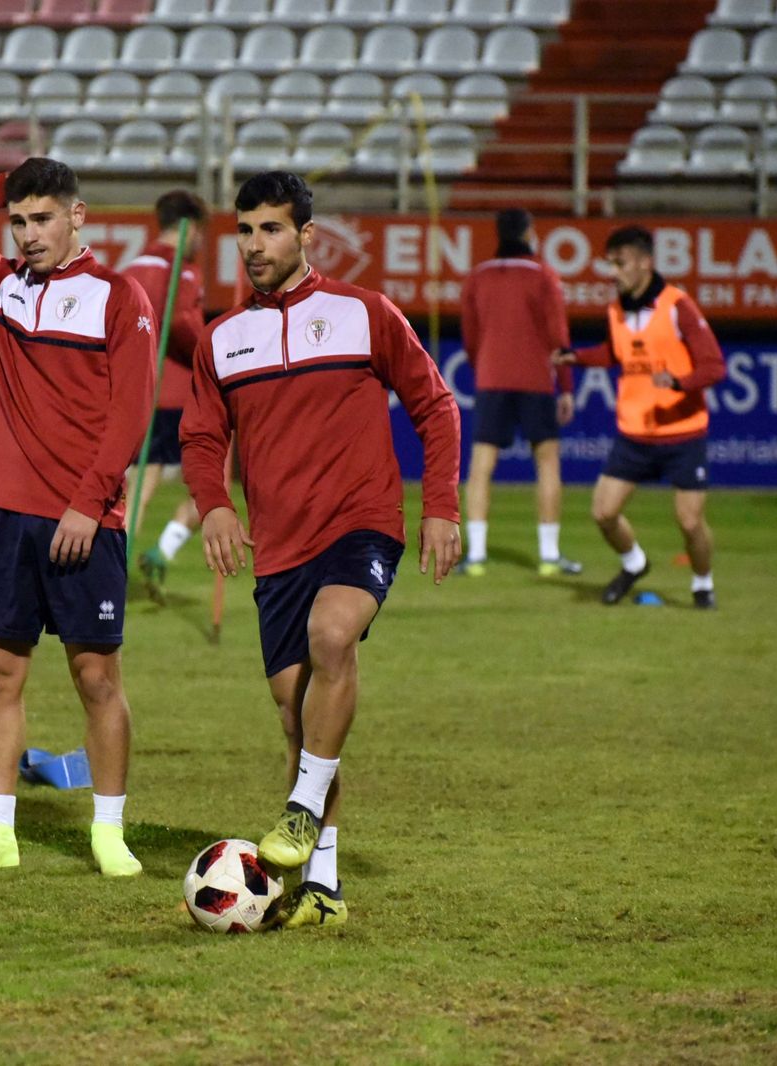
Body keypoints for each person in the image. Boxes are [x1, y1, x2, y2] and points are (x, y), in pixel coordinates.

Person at [181, 172, 462, 928]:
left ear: (306, 236)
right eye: (244, 232)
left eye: (270, 230)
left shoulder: (363, 314)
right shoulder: (222, 339)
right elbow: (203, 436)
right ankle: (325, 886)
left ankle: (301, 807)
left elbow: (435, 406)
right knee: (300, 723)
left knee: (333, 634)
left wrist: (440, 507)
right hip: (278, 548)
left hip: (361, 521)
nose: (254, 246)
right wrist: (213, 505)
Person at [0, 158, 155, 878]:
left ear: (78, 216)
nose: (27, 234)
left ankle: (108, 831)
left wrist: (89, 502)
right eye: (17, 221)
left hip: (84, 519)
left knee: (97, 680)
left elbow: (132, 412)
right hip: (6, 517)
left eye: (43, 217)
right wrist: (3, 186)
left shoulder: (118, 296)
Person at [554, 225, 726, 609]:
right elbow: (616, 354)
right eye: (611, 264)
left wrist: (680, 383)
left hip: (682, 431)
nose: (614, 272)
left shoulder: (678, 305)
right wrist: (577, 357)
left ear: (646, 263)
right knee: (603, 512)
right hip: (634, 433)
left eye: (622, 263)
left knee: (689, 522)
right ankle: (635, 563)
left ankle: (702, 584)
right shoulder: (616, 310)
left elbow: (714, 366)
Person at [456, 207, 580, 578]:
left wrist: (485, 369)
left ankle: (475, 556)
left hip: (492, 381)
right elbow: (558, 335)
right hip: (535, 382)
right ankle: (549, 555)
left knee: (480, 467)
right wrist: (567, 387)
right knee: (547, 463)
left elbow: (470, 336)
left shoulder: (477, 276)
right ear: (528, 234)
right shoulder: (544, 275)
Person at [121, 190, 208, 603]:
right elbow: (181, 322)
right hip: (180, 393)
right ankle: (163, 549)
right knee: (208, 487)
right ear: (190, 227)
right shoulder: (183, 271)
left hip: (139, 393)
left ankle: (112, 559)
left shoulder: (134, 266)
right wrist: (213, 356)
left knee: (140, 480)